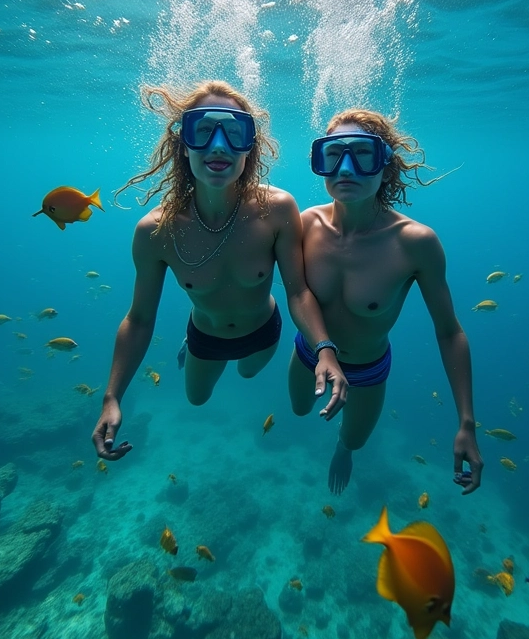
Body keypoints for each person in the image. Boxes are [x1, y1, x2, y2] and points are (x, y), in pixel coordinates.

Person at [92, 80, 348, 461]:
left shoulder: (276, 209)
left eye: (234, 132)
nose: (217, 145)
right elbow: (140, 318)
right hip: (205, 338)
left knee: (247, 373)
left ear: (250, 147)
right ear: (183, 145)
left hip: (264, 331)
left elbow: (297, 291)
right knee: (196, 399)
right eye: (202, 130)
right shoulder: (155, 231)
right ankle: (186, 343)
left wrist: (325, 348)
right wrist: (112, 397)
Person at [288, 109, 483, 495]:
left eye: (363, 154)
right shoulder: (303, 225)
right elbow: (292, 290)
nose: (346, 168)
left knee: (353, 441)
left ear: (386, 163)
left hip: (368, 368)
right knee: (297, 411)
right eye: (333, 155)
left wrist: (466, 423)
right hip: (309, 356)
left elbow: (449, 332)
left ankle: (342, 451)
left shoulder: (415, 242)